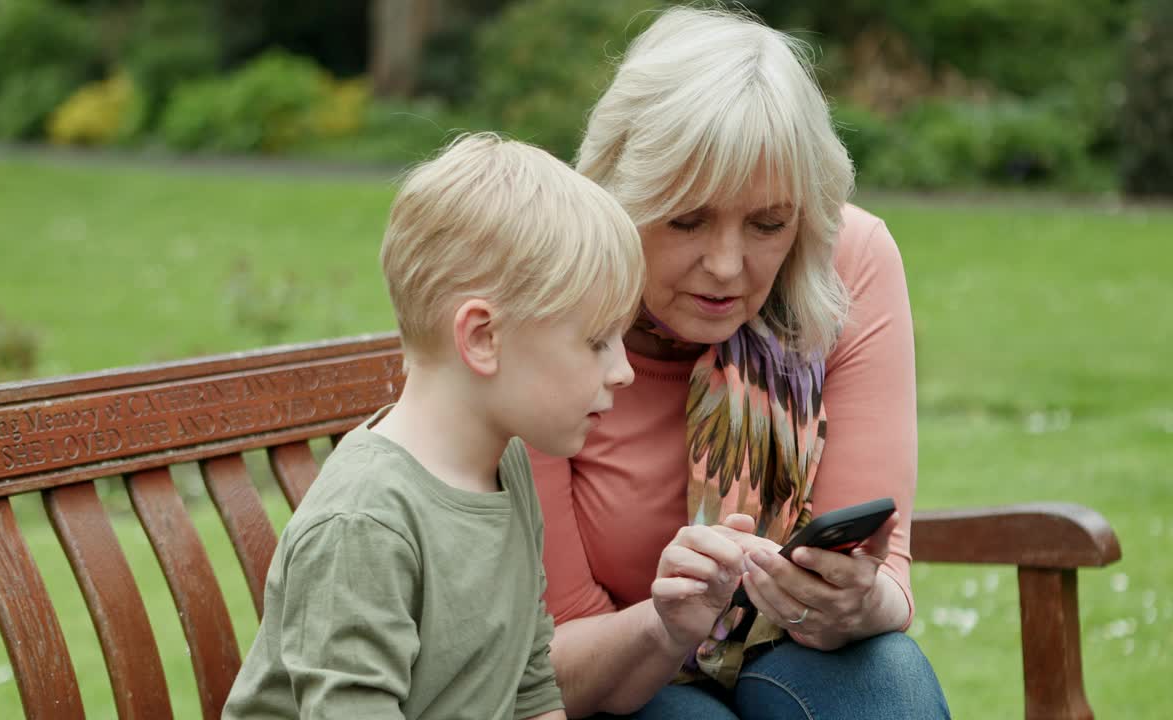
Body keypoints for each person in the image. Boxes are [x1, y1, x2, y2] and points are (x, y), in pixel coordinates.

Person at [527, 7, 951, 718]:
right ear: (617, 195)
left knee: (888, 677)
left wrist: (859, 600)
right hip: (609, 671)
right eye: (687, 219)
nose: (726, 267)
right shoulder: (543, 306)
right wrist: (665, 623)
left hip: (795, 652)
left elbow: (888, 577)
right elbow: (546, 663)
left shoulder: (849, 263)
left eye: (767, 224)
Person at [222, 133, 645, 720]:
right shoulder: (365, 522)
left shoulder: (505, 465)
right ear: (481, 338)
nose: (623, 370)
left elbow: (529, 687)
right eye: (597, 341)